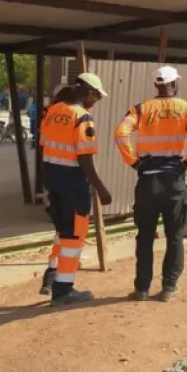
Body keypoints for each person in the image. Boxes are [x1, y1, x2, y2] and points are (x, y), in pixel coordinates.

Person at [114, 65, 187, 302]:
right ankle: (169, 287)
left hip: (147, 181)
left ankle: (142, 289)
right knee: (174, 235)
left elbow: (121, 133)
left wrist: (134, 162)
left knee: (145, 236)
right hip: (173, 181)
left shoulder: (140, 109)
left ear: (156, 84)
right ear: (174, 84)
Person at [38, 73, 113, 306]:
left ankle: (51, 277)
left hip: (53, 181)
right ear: (89, 92)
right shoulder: (82, 117)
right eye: (97, 96)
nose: (96, 101)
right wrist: (101, 189)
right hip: (73, 185)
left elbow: (43, 146)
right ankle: (63, 290)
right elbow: (85, 159)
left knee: (62, 231)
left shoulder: (52, 111)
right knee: (73, 237)